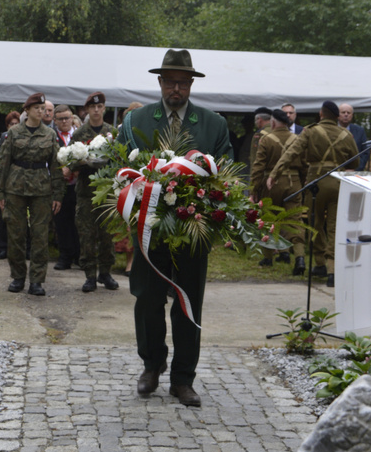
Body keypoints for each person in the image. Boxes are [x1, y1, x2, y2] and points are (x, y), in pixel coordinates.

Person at [119, 49, 232, 408]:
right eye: (170, 81)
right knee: (147, 301)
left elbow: (227, 176)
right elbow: (119, 169)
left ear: (191, 84)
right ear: (160, 82)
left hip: (192, 233)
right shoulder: (137, 121)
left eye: (183, 82)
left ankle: (183, 379)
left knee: (188, 305)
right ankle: (151, 366)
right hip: (150, 230)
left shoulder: (213, 124)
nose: (176, 89)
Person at [269, 100, 357, 287]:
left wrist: (274, 173)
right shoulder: (346, 134)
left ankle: (319, 263)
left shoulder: (310, 131)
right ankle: (333, 269)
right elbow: (355, 162)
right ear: (337, 116)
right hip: (338, 183)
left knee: (315, 223)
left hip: (316, 182)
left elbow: (291, 153)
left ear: (321, 114)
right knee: (333, 226)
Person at [0, 93, 64, 297]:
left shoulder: (50, 134)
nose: (41, 112)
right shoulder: (14, 132)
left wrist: (58, 194)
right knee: (16, 234)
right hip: (15, 187)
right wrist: (0, 191)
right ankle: (17, 277)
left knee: (40, 235)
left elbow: (56, 166)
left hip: (42, 189)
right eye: (37, 108)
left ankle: (37, 280)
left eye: (43, 109)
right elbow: (4, 162)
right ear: (27, 110)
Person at [71, 93, 118, 292]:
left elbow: (120, 159)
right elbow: (70, 162)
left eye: (100, 107)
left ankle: (105, 273)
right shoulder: (79, 134)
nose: (96, 110)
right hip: (86, 192)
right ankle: (89, 275)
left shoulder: (112, 133)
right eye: (92, 107)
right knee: (87, 236)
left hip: (107, 191)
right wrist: (82, 161)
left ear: (104, 108)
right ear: (87, 110)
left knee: (107, 235)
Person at [252, 108, 306, 273]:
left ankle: (268, 257)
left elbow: (258, 166)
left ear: (273, 122)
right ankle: (299, 257)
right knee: (295, 220)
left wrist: (254, 189)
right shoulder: (297, 139)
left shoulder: (266, 139)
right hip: (294, 182)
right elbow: (304, 165)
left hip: (272, 183)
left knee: (269, 218)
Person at [53, 104, 81, 271]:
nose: (64, 121)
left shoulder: (79, 135)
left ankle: (79, 256)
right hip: (59, 186)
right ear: (55, 120)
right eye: (61, 118)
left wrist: (75, 168)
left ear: (72, 118)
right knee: (61, 223)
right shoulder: (51, 136)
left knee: (78, 222)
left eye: (67, 118)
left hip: (77, 186)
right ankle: (65, 257)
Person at [0, 111, 21, 260]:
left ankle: (24, 249)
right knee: (4, 215)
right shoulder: (4, 137)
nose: (14, 127)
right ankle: (3, 248)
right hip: (6, 180)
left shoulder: (25, 135)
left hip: (22, 181)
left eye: (17, 124)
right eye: (11, 124)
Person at [338, 103, 369, 170]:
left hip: (354, 172)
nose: (346, 115)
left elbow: (365, 153)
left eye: (348, 113)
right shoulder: (332, 129)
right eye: (343, 112)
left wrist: (356, 169)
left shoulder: (360, 131)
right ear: (338, 115)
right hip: (335, 171)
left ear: (352, 115)